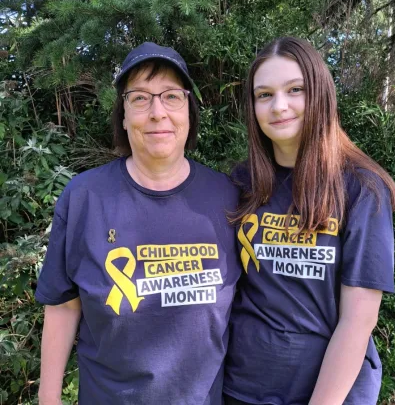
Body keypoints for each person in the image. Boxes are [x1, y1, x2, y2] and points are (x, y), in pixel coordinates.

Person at [35, 42, 241, 405]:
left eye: (171, 96)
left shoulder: (227, 197)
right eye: (140, 98)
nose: (157, 112)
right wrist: (48, 397)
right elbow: (64, 305)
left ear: (189, 111)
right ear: (124, 115)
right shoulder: (85, 197)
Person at [223, 37, 395, 405]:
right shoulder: (241, 184)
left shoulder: (362, 188)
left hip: (331, 393)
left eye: (295, 89)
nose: (280, 106)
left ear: (320, 93)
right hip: (243, 389)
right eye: (264, 95)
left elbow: (357, 323)